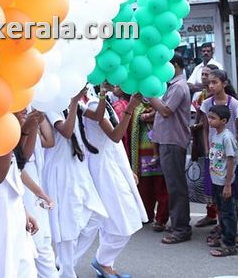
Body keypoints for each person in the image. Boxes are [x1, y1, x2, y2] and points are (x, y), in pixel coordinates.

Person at [81, 88, 147, 277]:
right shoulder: (94, 105)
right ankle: (99, 262)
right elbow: (115, 136)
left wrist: (126, 170)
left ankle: (104, 262)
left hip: (111, 166)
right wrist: (131, 109)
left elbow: (114, 145)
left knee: (115, 220)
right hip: (103, 169)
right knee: (123, 219)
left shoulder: (100, 101)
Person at [42, 88, 107, 278]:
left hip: (78, 166)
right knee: (68, 225)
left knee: (96, 217)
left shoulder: (75, 103)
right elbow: (67, 131)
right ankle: (67, 272)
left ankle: (62, 264)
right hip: (60, 169)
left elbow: (97, 115)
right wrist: (73, 102)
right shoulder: (52, 105)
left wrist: (102, 94)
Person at [201, 70, 238, 249]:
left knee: (231, 196)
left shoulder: (235, 104)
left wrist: (232, 151)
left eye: (215, 82)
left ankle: (232, 233)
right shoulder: (206, 103)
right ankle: (223, 229)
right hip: (214, 157)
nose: (211, 86)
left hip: (230, 157)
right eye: (209, 83)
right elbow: (205, 129)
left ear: (224, 83)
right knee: (219, 198)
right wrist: (208, 151)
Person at [0, 134, 38, 278]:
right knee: (1, 268)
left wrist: (24, 210)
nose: (25, 112)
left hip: (16, 216)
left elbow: (17, 170)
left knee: (26, 269)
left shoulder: (12, 132)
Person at [149, 53, 193, 244]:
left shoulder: (178, 87)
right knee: (173, 185)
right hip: (168, 141)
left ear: (174, 65)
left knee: (176, 187)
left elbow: (166, 111)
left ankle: (181, 228)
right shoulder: (174, 85)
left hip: (173, 141)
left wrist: (149, 94)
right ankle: (179, 224)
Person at [18, 108, 58, 278]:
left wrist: (37, 120)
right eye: (21, 111)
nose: (25, 114)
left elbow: (49, 140)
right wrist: (27, 128)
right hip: (18, 187)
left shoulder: (29, 125)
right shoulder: (9, 132)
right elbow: (19, 164)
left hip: (33, 179)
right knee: (35, 243)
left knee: (43, 240)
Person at [123, 90, 170, 232]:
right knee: (144, 186)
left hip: (160, 148)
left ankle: (161, 219)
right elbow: (133, 118)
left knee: (161, 185)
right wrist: (143, 116)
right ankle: (147, 214)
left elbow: (164, 113)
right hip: (141, 151)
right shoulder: (136, 103)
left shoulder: (163, 99)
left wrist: (150, 115)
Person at [206, 105, 238, 257]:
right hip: (216, 181)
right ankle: (224, 238)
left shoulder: (227, 137)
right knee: (221, 212)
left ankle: (230, 245)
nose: (209, 120)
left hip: (225, 183)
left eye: (213, 118)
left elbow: (231, 160)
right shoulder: (215, 135)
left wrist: (228, 184)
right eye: (209, 117)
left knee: (228, 213)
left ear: (224, 120)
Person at [191, 64, 221, 228]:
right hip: (201, 141)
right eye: (202, 74)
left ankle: (220, 217)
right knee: (206, 178)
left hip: (215, 142)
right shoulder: (200, 95)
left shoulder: (219, 98)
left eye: (207, 75)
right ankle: (211, 213)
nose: (204, 78)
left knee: (218, 179)